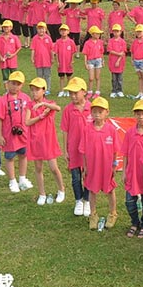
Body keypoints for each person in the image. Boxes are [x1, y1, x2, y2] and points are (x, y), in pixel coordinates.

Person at [24, 77, 65, 206]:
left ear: (44, 91)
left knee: (53, 168)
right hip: (35, 140)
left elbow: (57, 108)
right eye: (32, 90)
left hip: (48, 140)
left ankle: (61, 189)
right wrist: (40, 117)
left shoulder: (49, 104)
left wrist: (43, 105)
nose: (34, 93)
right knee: (38, 167)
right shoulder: (30, 105)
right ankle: (42, 193)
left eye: (37, 90)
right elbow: (27, 122)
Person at [80, 96, 119, 230]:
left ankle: (113, 213)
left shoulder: (111, 130)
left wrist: (114, 165)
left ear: (106, 112)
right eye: (94, 111)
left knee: (110, 190)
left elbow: (115, 150)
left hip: (107, 166)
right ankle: (93, 214)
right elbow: (83, 150)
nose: (97, 114)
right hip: (92, 166)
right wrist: (85, 167)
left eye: (100, 111)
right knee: (91, 190)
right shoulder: (87, 129)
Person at [0, 71, 33, 194]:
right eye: (13, 83)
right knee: (10, 157)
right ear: (7, 84)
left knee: (23, 155)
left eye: (18, 84)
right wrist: (0, 135)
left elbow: (29, 113)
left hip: (23, 134)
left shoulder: (25, 98)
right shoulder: (2, 100)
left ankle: (22, 178)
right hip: (9, 135)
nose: (15, 86)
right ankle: (12, 180)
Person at [60, 77, 92, 216]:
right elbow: (65, 130)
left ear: (84, 92)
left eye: (75, 92)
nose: (73, 96)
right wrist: (65, 149)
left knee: (89, 175)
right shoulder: (68, 109)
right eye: (70, 93)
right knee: (75, 177)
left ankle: (87, 200)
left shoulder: (92, 108)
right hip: (73, 148)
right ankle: (78, 200)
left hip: (89, 149)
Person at [123, 99, 143, 238]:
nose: (141, 117)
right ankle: (135, 222)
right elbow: (125, 154)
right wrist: (124, 171)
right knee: (130, 202)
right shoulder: (130, 133)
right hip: (132, 173)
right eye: (138, 114)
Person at [31, 22, 55, 94]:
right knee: (39, 75)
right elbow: (33, 49)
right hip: (38, 60)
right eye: (39, 29)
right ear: (37, 29)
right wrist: (32, 58)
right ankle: (40, 88)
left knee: (47, 75)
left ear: (45, 29)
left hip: (47, 60)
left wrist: (52, 58)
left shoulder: (48, 38)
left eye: (43, 29)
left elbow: (51, 49)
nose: (41, 30)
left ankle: (47, 89)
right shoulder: (35, 38)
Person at [82, 25, 106, 97]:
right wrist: (85, 63)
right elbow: (85, 54)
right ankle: (90, 91)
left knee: (97, 77)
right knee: (91, 77)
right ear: (92, 34)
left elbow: (101, 52)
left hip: (98, 60)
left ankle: (97, 91)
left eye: (99, 34)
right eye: (97, 33)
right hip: (90, 61)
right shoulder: (87, 43)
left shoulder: (100, 42)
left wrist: (103, 60)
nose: (99, 35)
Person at [106, 23, 127, 99]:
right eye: (114, 31)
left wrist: (118, 60)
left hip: (120, 63)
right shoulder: (111, 41)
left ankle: (120, 90)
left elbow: (123, 52)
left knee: (120, 78)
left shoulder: (122, 42)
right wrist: (118, 54)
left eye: (117, 31)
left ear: (120, 32)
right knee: (114, 78)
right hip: (112, 62)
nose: (116, 33)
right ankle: (114, 90)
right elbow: (110, 50)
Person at [54, 24, 76, 95]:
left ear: (68, 32)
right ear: (60, 32)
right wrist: (57, 62)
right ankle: (61, 90)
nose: (63, 32)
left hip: (68, 62)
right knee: (61, 77)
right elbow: (56, 53)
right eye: (62, 30)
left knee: (69, 76)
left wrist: (72, 61)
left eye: (65, 30)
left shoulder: (71, 42)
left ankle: (68, 90)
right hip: (61, 62)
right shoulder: (58, 42)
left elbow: (73, 52)